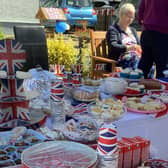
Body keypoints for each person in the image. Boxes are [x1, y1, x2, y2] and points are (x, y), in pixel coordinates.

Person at [138, 0, 168, 79]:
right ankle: (162, 90)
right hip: (162, 33)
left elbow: (141, 8)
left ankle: (136, 87)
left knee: (144, 64)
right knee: (162, 68)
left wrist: (143, 21)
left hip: (147, 31)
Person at [106, 3, 141, 70]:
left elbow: (139, 45)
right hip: (118, 62)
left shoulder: (133, 30)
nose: (130, 19)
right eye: (128, 16)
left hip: (135, 58)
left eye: (132, 17)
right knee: (134, 59)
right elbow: (113, 46)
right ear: (121, 15)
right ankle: (137, 78)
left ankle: (145, 79)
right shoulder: (113, 30)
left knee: (147, 61)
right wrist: (128, 48)